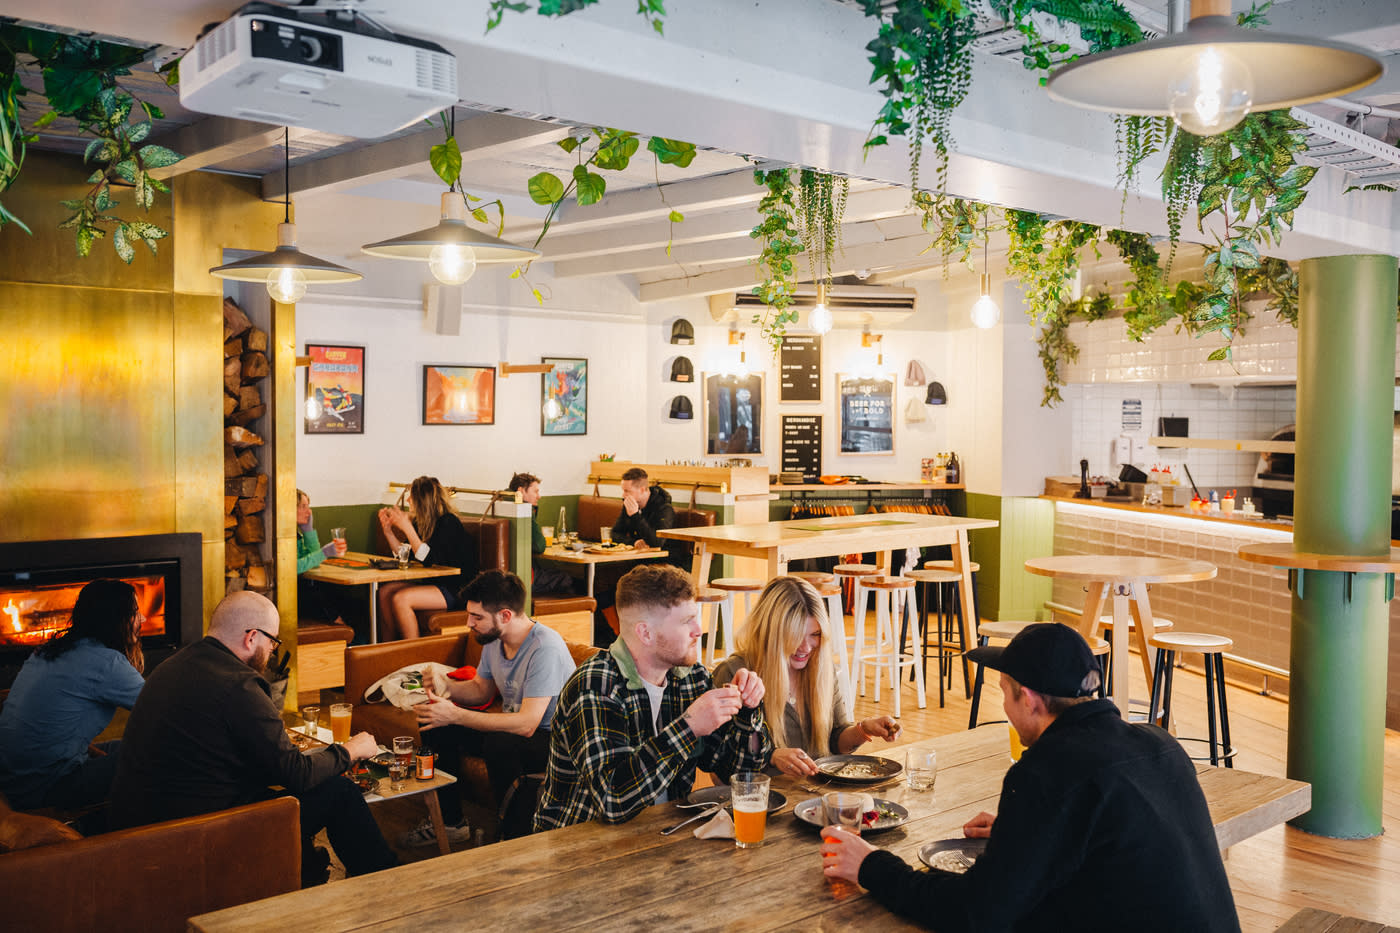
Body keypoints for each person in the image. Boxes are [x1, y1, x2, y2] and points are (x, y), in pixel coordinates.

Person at [820, 622, 1239, 933]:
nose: (1003, 704)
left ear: (1031, 699)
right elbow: (1117, 843)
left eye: (1004, 691)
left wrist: (871, 866)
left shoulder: (1047, 770)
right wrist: (1026, 834)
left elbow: (976, 914)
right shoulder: (1159, 744)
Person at [109, 591, 396, 886]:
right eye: (272, 641)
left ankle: (302, 869)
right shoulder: (239, 684)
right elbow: (296, 774)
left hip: (147, 822)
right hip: (199, 832)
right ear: (251, 637)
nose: (272, 650)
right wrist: (349, 750)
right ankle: (388, 888)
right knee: (340, 793)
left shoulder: (173, 665)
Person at [534, 564, 773, 831]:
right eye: (686, 621)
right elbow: (613, 801)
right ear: (645, 633)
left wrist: (747, 712)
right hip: (578, 847)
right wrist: (689, 727)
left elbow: (739, 773)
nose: (699, 630)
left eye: (696, 617)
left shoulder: (690, 677)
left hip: (661, 836)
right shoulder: (596, 686)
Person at [403, 570, 577, 844]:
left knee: (499, 743)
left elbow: (527, 723)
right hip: (522, 730)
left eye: (477, 617)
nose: (469, 623)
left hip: (558, 740)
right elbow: (481, 690)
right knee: (435, 722)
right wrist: (445, 686)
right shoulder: (494, 639)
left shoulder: (545, 648)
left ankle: (514, 835)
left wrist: (457, 713)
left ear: (505, 615)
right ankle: (451, 823)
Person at [712, 576, 899, 777]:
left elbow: (836, 740)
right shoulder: (735, 673)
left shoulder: (821, 668)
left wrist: (864, 730)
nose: (806, 647)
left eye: (815, 634)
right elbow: (719, 764)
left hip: (816, 793)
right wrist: (771, 756)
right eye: (795, 635)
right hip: (761, 799)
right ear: (771, 633)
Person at [0, 578, 145, 815]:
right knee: (156, 751)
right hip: (44, 787)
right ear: (116, 620)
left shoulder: (47, 650)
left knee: (128, 747)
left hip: (12, 779)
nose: (143, 620)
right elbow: (162, 709)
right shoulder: (107, 663)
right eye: (135, 613)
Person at [377, 475, 478, 640]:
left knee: (401, 599)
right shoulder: (421, 523)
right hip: (435, 583)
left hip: (457, 588)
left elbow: (428, 558)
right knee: (384, 592)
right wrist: (388, 531)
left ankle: (415, 654)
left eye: (412, 496)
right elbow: (406, 555)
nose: (408, 499)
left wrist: (407, 527)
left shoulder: (448, 523)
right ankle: (388, 649)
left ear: (422, 500)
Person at [295, 488, 362, 637]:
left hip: (305, 591)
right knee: (319, 594)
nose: (309, 512)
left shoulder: (297, 535)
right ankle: (345, 632)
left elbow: (314, 562)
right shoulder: (284, 536)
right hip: (293, 597)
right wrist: (324, 553)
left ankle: (353, 639)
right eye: (303, 506)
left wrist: (308, 531)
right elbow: (293, 567)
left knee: (351, 599)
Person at [507, 471, 576, 597]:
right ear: (521, 491)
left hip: (506, 578)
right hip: (524, 578)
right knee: (567, 579)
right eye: (536, 491)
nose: (539, 496)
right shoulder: (523, 509)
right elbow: (539, 546)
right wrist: (531, 512)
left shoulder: (499, 503)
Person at [610, 467, 686, 569]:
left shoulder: (664, 508)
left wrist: (635, 516)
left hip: (665, 563)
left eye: (627, 491)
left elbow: (656, 542)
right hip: (639, 561)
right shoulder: (629, 504)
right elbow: (614, 533)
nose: (623, 495)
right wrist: (634, 542)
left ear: (642, 490)